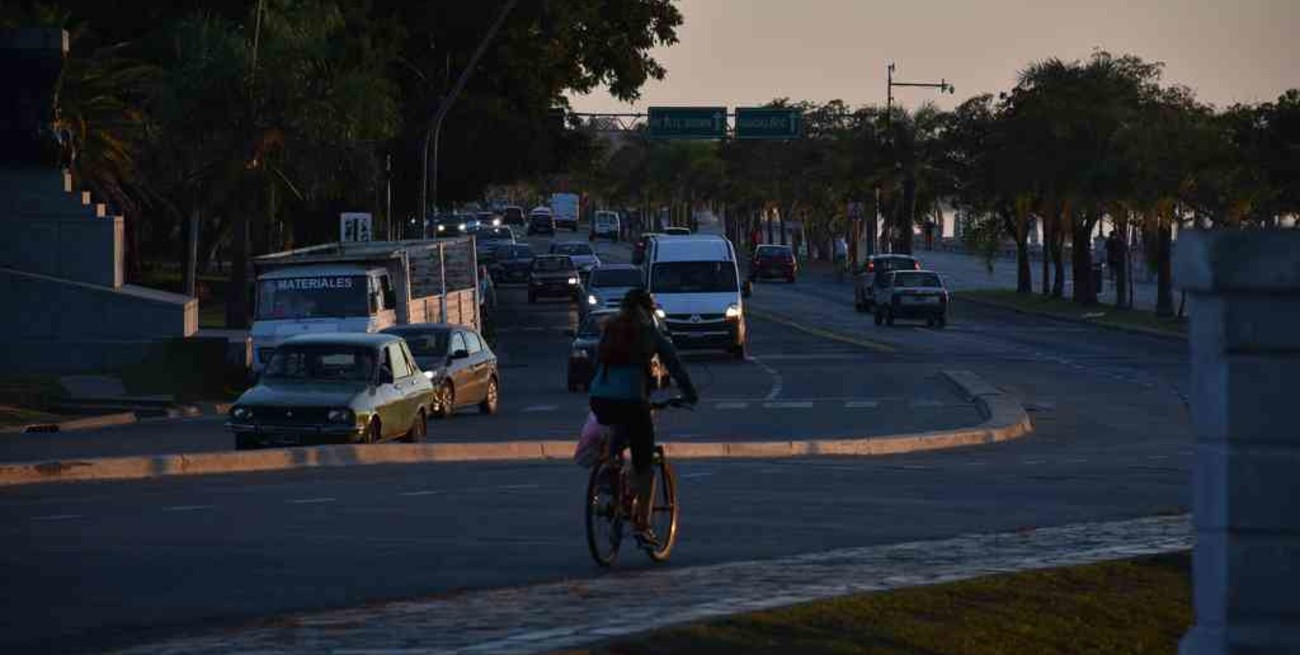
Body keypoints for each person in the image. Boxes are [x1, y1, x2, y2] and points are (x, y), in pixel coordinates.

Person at [588, 288, 698, 547]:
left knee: (616, 434)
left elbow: (597, 362)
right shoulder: (649, 332)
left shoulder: (610, 328)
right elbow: (674, 363)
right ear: (648, 310)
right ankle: (643, 525)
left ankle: (609, 473)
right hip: (632, 401)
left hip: (600, 398)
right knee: (645, 464)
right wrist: (690, 394)